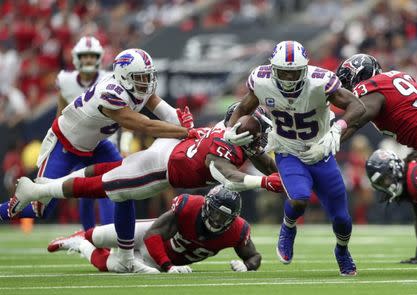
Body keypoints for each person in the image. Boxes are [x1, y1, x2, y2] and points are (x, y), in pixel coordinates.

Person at [10, 105, 282, 272]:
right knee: (107, 186)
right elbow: (231, 177)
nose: (263, 140)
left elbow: (263, 159)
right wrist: (264, 182)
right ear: (245, 135)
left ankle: (49, 187)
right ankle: (39, 191)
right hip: (163, 169)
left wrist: (285, 179)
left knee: (113, 170)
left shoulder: (228, 130)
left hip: (170, 149)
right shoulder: (224, 152)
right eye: (260, 134)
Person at [4, 47, 197, 271]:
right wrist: (183, 132)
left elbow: (163, 109)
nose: (147, 82)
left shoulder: (134, 85)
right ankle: (3, 210)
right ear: (125, 77)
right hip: (65, 144)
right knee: (41, 209)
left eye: (148, 76)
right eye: (141, 77)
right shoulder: (111, 93)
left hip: (96, 145)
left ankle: (126, 259)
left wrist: (186, 124)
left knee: (126, 185)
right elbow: (143, 124)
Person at [224, 40, 365, 276]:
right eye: (284, 72)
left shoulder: (320, 82)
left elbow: (357, 106)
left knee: (342, 219)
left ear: (305, 69)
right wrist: (229, 129)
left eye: (294, 72)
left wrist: (337, 129)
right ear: (273, 69)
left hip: (320, 152)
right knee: (299, 198)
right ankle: (288, 228)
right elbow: (242, 109)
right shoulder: (261, 80)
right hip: (287, 150)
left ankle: (342, 251)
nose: (289, 78)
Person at [47, 186, 261, 274]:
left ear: (233, 219)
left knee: (114, 267)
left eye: (223, 217)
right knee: (102, 235)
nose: (216, 219)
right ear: (205, 205)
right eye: (214, 212)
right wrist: (167, 267)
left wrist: (247, 266)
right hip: (153, 240)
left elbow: (254, 256)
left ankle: (80, 245)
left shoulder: (237, 230)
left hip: (156, 260)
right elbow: (152, 235)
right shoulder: (190, 207)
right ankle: (82, 235)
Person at [336, 53, 417, 175]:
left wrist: (331, 139)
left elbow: (358, 117)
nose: (347, 90)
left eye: (346, 83)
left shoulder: (371, 91)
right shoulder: (397, 77)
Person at [55, 36, 116, 230]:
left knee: (107, 188)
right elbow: (60, 116)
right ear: (76, 58)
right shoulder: (65, 81)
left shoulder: (109, 79)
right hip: (78, 144)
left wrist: (124, 143)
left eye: (92, 56)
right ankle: (89, 235)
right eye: (85, 56)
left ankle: (109, 234)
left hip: (105, 142)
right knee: (84, 191)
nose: (89, 60)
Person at [366, 150, 417, 265]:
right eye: (380, 184)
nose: (385, 185)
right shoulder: (411, 178)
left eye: (384, 179)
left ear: (394, 168)